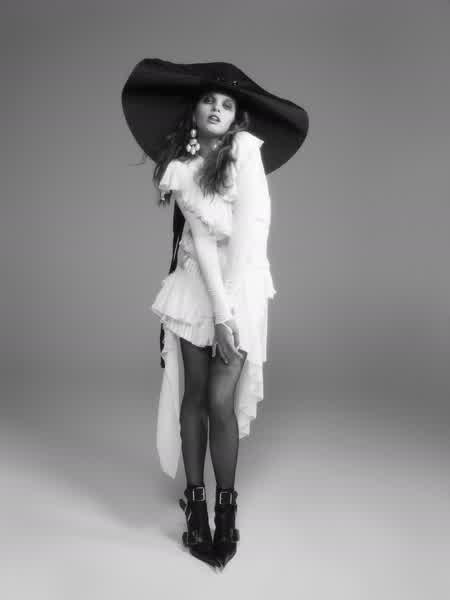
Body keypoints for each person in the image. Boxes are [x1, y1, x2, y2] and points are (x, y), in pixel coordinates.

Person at [121, 59, 309, 571]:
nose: (216, 109)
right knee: (196, 397)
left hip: (241, 284)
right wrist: (218, 315)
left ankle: (227, 507)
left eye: (227, 104)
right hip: (196, 286)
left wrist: (230, 316)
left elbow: (250, 232)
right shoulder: (181, 164)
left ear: (236, 117)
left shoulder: (245, 150)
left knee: (221, 402)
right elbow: (202, 243)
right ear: (195, 110)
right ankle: (196, 503)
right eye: (209, 100)